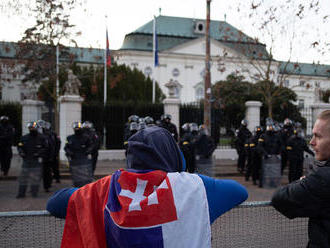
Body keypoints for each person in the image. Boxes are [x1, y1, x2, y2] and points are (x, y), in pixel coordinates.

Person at [47, 126, 248, 247]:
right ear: (172, 154)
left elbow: (54, 203)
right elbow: (239, 191)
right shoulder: (195, 188)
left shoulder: (105, 188)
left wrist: (97, 188)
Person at [271, 110, 330, 248]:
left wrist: (304, 182)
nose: (312, 142)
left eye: (318, 136)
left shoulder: (322, 179)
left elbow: (280, 199)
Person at [16, 121, 49, 198]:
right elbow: (20, 146)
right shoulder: (24, 138)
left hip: (36, 160)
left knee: (35, 177)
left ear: (36, 128)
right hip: (26, 160)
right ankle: (21, 193)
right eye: (30, 128)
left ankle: (34, 193)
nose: (31, 129)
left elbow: (46, 148)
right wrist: (21, 152)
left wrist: (39, 153)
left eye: (33, 128)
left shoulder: (42, 138)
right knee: (23, 177)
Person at [64, 121, 93, 187]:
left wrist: (88, 151)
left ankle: (86, 185)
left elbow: (91, 146)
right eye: (75, 128)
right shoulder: (69, 138)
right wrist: (69, 152)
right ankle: (76, 184)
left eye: (78, 128)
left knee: (85, 173)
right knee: (75, 173)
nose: (77, 130)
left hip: (83, 158)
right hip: (74, 158)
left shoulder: (86, 137)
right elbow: (66, 147)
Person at [257, 122, 282, 188]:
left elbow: (280, 145)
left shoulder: (276, 136)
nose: (271, 128)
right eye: (269, 127)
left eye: (272, 127)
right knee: (263, 170)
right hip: (265, 157)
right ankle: (261, 183)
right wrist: (265, 154)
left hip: (274, 157)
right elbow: (260, 146)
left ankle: (272, 183)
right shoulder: (263, 136)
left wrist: (278, 153)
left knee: (273, 171)